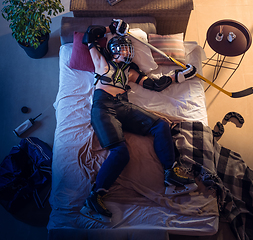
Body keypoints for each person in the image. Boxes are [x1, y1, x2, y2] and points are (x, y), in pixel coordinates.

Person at [81, 19, 197, 218]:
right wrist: (111, 28)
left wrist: (179, 77)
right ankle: (95, 197)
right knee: (120, 153)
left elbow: (154, 85)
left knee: (161, 125)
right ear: (114, 50)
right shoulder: (101, 61)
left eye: (129, 49)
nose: (127, 52)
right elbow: (90, 34)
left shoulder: (129, 71)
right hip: (103, 108)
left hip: (123, 106)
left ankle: (171, 174)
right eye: (123, 49)